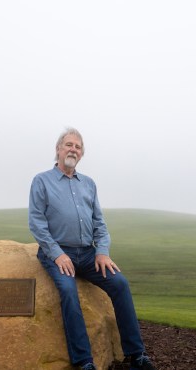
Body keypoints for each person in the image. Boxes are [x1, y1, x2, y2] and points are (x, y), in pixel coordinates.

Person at [28, 128, 156, 370]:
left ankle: (136, 354)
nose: (73, 149)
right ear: (58, 149)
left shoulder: (89, 184)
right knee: (68, 291)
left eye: (77, 146)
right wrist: (57, 254)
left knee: (120, 284)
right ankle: (84, 361)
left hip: (88, 254)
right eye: (68, 145)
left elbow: (100, 222)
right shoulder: (41, 181)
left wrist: (102, 251)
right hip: (57, 253)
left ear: (81, 153)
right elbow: (36, 222)